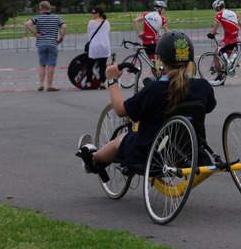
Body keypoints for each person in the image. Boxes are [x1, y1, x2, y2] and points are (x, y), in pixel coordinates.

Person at [76, 31, 216, 174]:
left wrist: (112, 80)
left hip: (151, 152)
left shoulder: (155, 89)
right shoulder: (203, 86)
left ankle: (92, 159)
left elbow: (120, 110)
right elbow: (208, 107)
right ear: (190, 60)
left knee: (122, 139)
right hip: (189, 150)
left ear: (161, 61)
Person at [207, 0, 241, 85]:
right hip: (234, 40)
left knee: (216, 55)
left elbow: (214, 30)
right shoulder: (234, 13)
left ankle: (219, 77)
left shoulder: (219, 14)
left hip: (227, 39)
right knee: (225, 59)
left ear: (218, 7)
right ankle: (223, 77)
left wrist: (210, 33)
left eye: (215, 9)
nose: (216, 11)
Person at [25, 1, 67, 92]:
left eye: (40, 9)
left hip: (41, 43)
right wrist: (61, 39)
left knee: (42, 65)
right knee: (51, 65)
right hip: (52, 43)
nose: (39, 11)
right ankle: (49, 85)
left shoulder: (38, 18)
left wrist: (35, 33)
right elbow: (64, 27)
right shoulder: (56, 18)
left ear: (43, 9)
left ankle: (41, 84)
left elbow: (27, 24)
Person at [85, 6, 111, 89]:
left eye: (93, 13)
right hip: (104, 46)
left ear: (98, 13)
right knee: (102, 66)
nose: (92, 14)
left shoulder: (91, 22)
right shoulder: (106, 23)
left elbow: (89, 32)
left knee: (89, 65)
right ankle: (102, 83)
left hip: (94, 46)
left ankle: (89, 83)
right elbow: (108, 33)